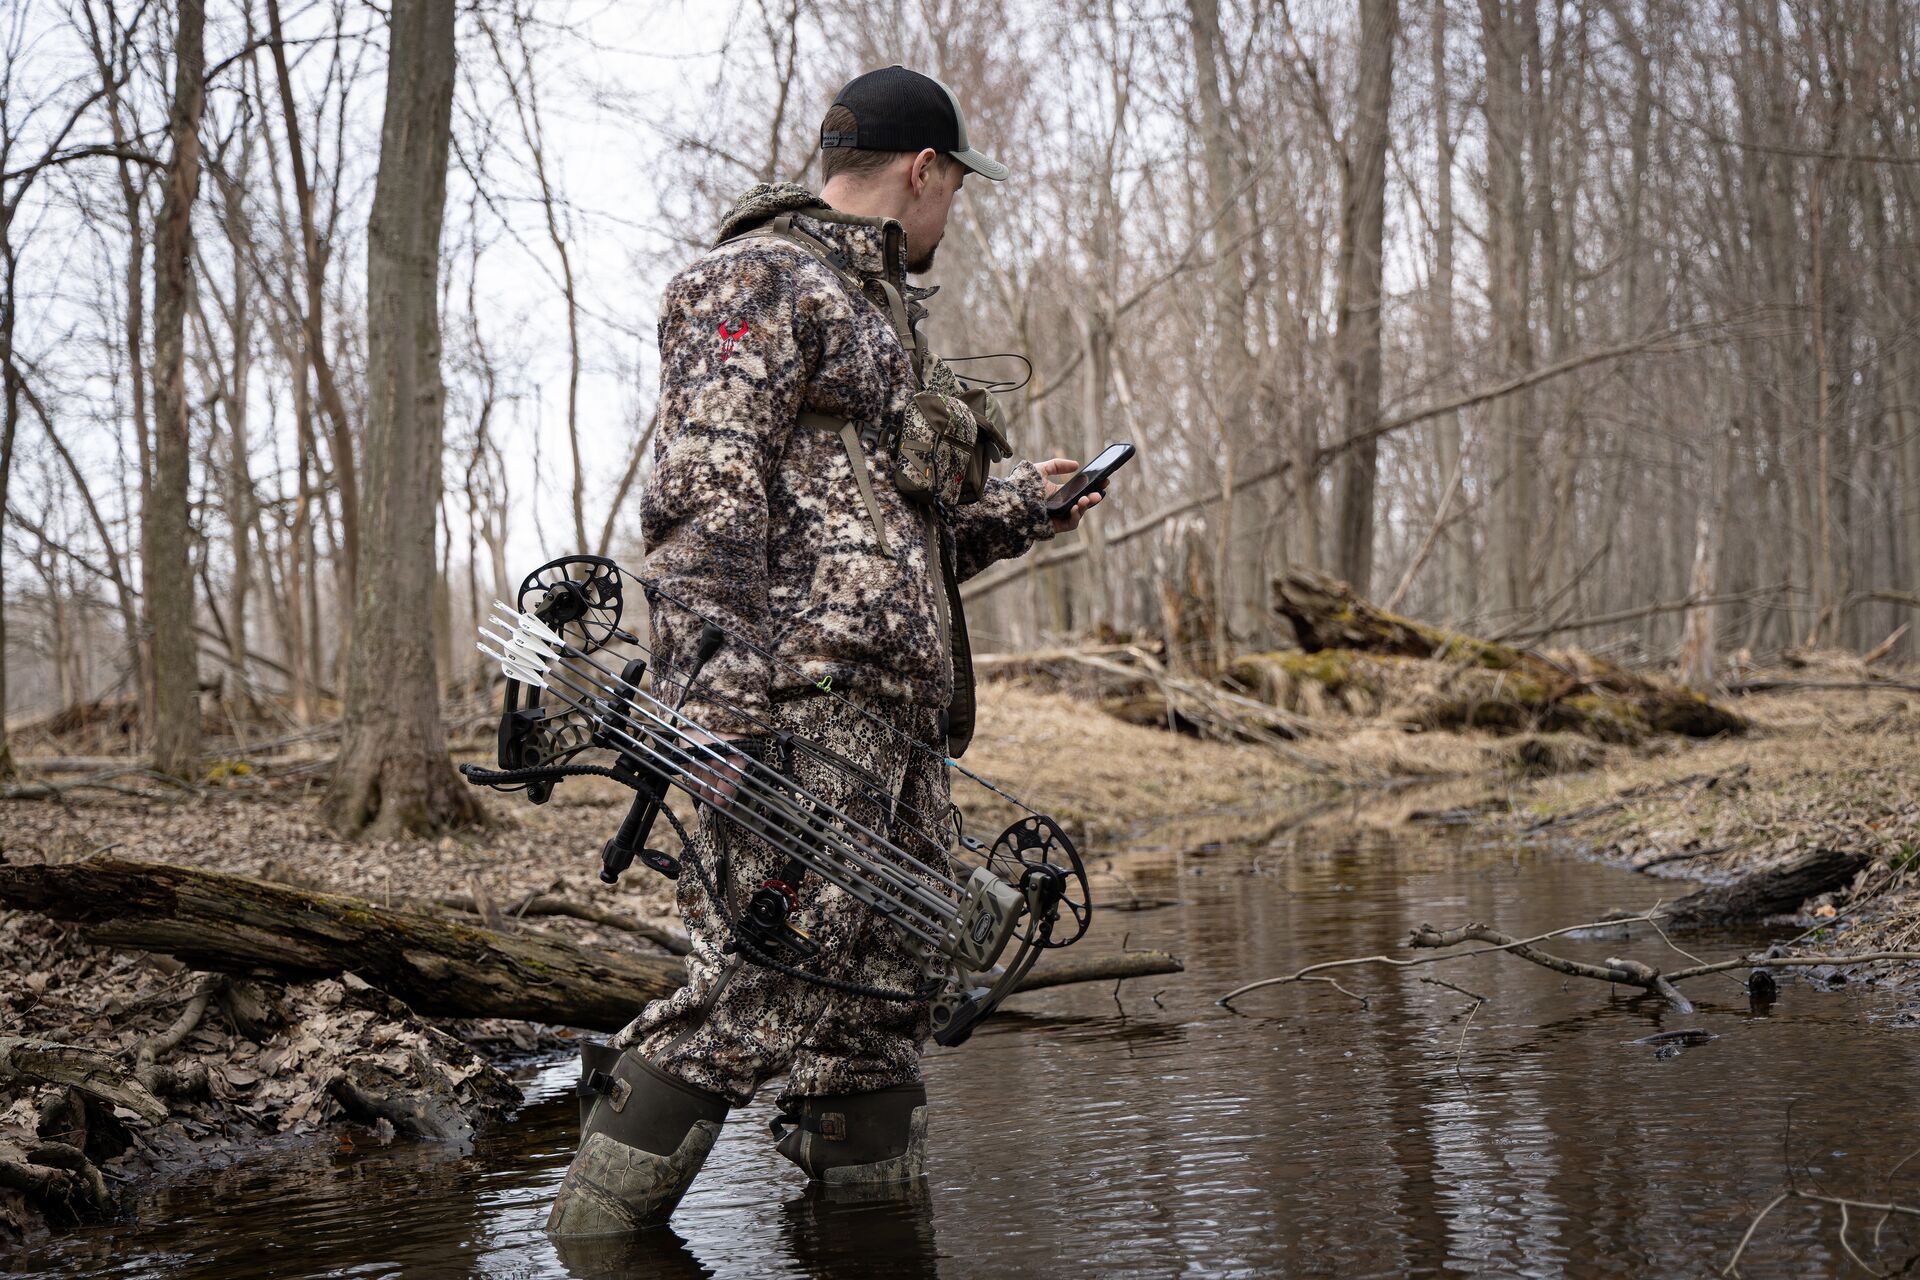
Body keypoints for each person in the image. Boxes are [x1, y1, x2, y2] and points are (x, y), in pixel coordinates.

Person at [545, 64, 1105, 1237]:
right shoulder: (754, 280)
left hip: (894, 725)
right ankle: (588, 1245)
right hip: (797, 713)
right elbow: (704, 507)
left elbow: (895, 540)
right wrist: (720, 727)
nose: (955, 209)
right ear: (925, 170)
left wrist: (1026, 502)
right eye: (956, 185)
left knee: (875, 1006)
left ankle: (872, 1240)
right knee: (749, 988)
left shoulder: (877, 314)